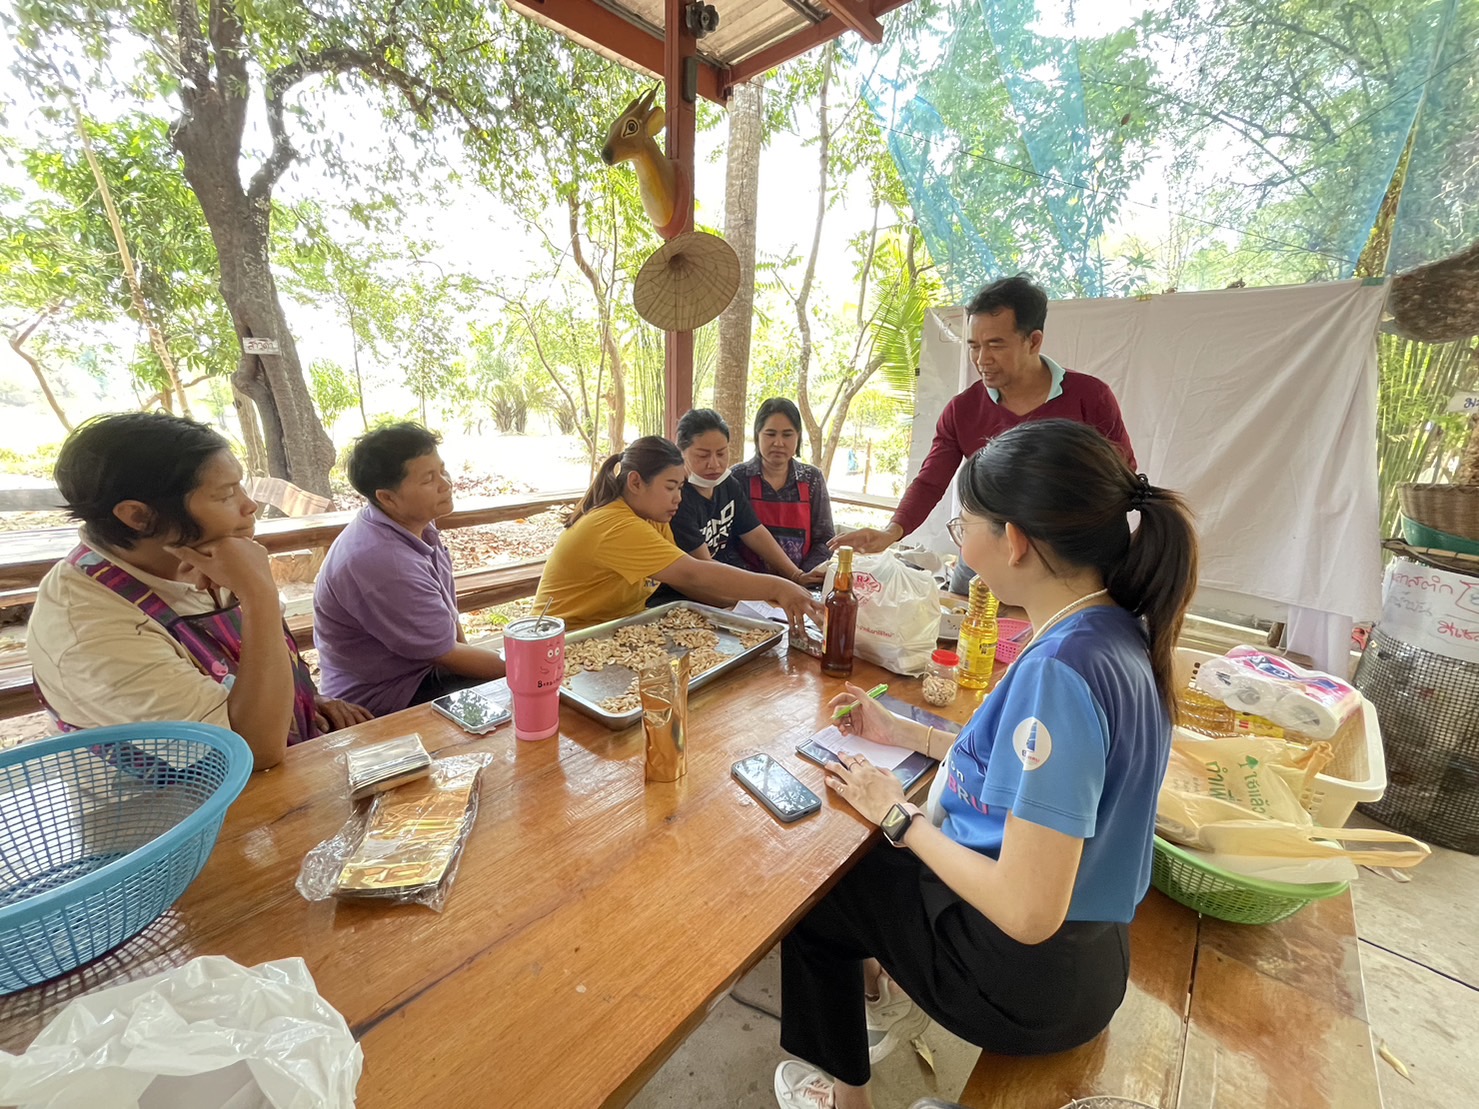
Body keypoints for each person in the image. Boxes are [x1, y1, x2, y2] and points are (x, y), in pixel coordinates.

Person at [772, 419, 1198, 1109]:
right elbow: (1026, 774)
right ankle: (882, 997)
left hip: (1018, 979)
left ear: (1015, 541)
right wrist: (903, 727)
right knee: (871, 871)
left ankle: (845, 1098)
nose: (958, 541)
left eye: (962, 523)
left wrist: (897, 814)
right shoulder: (1112, 628)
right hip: (1090, 966)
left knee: (820, 891)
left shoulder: (1059, 672)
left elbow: (1028, 910)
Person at [28, 413, 371, 771]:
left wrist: (305, 698)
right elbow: (253, 752)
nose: (249, 506)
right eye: (225, 495)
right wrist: (259, 597)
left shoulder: (202, 556)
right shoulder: (89, 631)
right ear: (138, 516)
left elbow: (256, 663)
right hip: (175, 813)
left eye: (241, 486)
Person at [831, 275, 1137, 572]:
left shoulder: (1090, 396)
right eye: (974, 345)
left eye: (996, 344)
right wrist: (891, 532)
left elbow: (1121, 475)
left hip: (1068, 558)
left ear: (1033, 341)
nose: (981, 359)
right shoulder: (962, 410)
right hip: (986, 559)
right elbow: (930, 482)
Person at [534, 436, 823, 632]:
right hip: (563, 641)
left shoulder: (653, 518)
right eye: (670, 487)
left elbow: (692, 577)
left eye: (681, 487)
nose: (678, 498)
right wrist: (777, 587)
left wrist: (747, 609)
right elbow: (693, 574)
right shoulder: (614, 525)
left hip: (618, 631)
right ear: (635, 482)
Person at [314, 423, 505, 717]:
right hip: (384, 698)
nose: (446, 484)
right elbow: (447, 654)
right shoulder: (381, 559)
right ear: (387, 498)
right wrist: (528, 667)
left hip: (425, 671)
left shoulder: (415, 526)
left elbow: (450, 635)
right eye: (429, 479)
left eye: (443, 470)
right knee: (523, 695)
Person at [663, 409, 823, 593]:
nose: (714, 464)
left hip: (727, 583)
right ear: (681, 452)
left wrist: (796, 575)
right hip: (693, 592)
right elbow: (703, 568)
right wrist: (770, 592)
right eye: (703, 455)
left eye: (721, 453)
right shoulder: (678, 499)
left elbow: (754, 532)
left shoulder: (728, 483)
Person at [730, 398, 836, 578]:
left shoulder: (812, 479)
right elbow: (726, 542)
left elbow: (825, 540)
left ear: (798, 437)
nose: (778, 443)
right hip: (748, 586)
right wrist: (755, 581)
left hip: (799, 584)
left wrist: (802, 576)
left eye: (787, 435)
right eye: (770, 434)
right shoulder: (738, 477)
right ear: (757, 435)